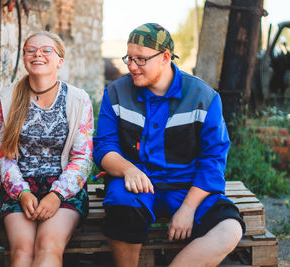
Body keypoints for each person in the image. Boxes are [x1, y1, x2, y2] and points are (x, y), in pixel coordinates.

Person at [93, 23, 245, 267]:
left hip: (186, 186)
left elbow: (213, 160)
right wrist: (127, 169)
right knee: (122, 211)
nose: (131, 66)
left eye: (141, 59)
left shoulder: (203, 97)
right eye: (129, 58)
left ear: (165, 57)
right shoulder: (116, 93)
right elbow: (103, 147)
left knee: (229, 229)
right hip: (136, 184)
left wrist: (187, 209)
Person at [0, 31, 94, 267]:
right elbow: (2, 156)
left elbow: (83, 157)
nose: (38, 54)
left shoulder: (78, 99)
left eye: (47, 50)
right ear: (24, 57)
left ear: (60, 60)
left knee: (48, 247)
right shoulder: (6, 99)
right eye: (31, 50)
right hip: (19, 187)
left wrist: (56, 195)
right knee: (22, 251)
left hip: (64, 188)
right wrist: (21, 192)